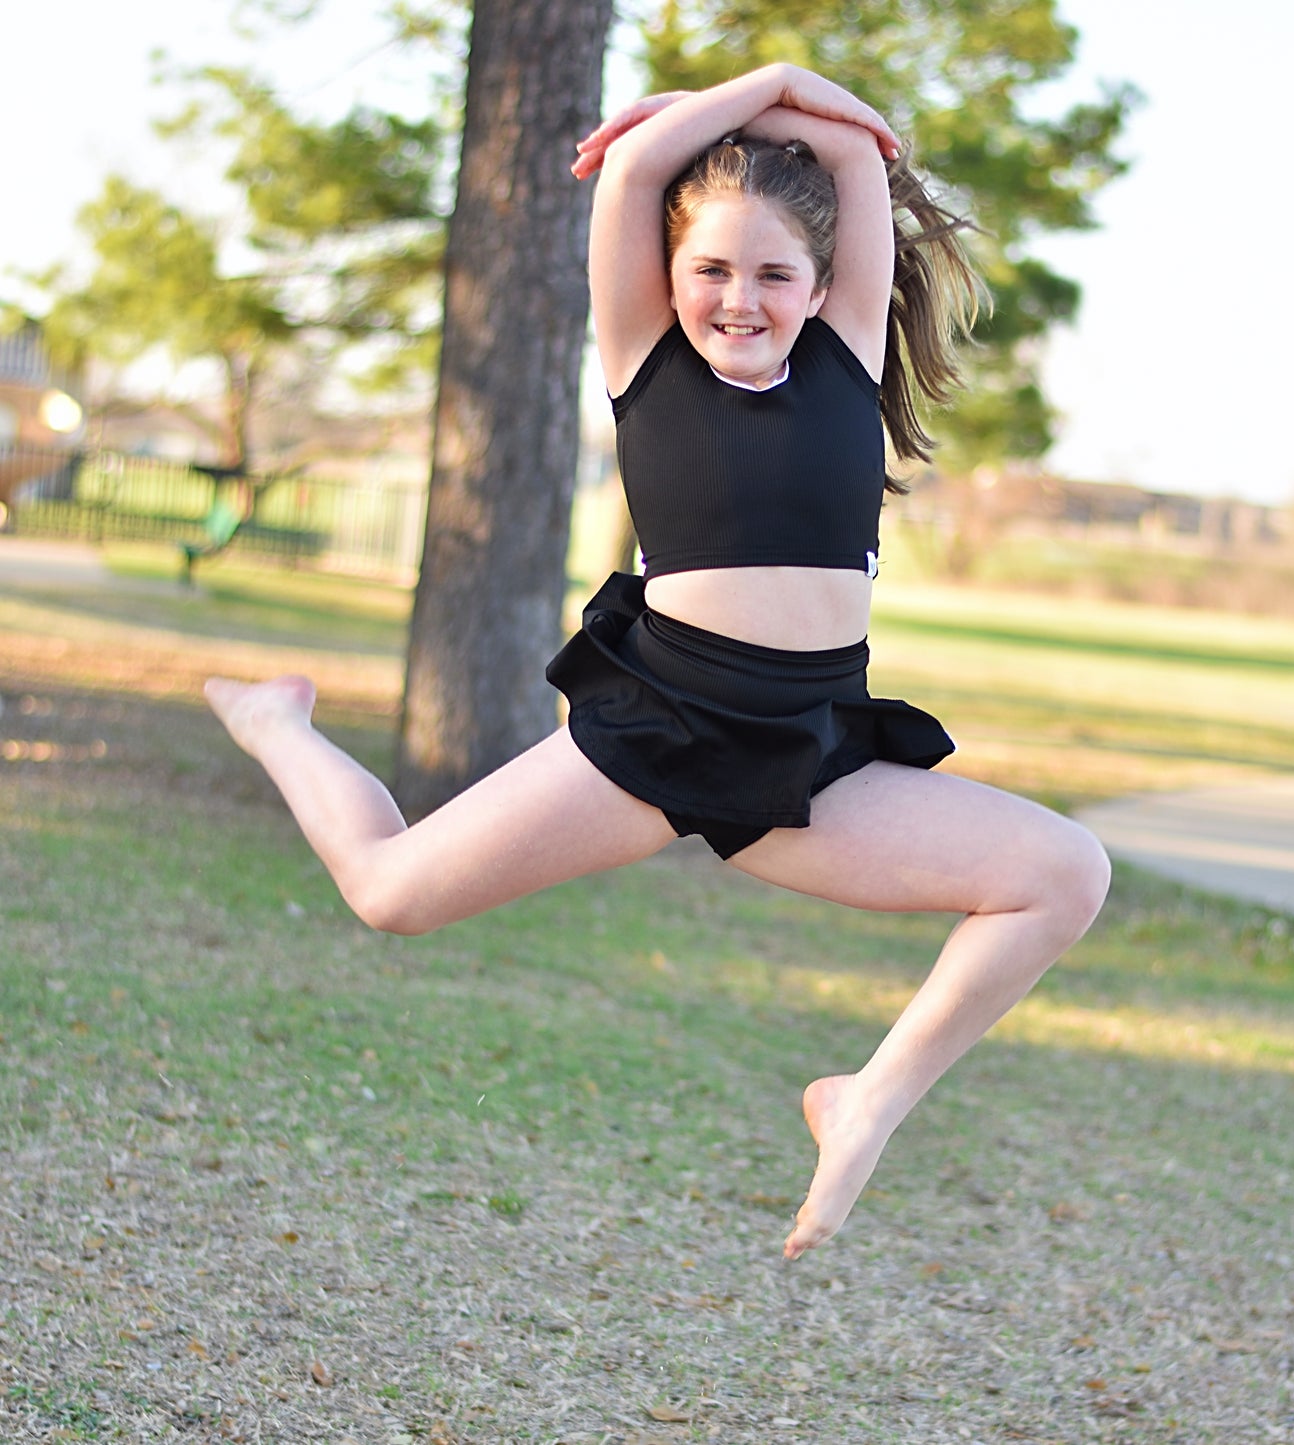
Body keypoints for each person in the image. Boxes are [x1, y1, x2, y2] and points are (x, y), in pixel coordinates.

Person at [205, 64, 1111, 1261]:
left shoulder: (840, 356)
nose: (740, 299)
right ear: (669, 275)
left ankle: (866, 1097)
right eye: (712, 271)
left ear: (824, 284)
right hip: (659, 732)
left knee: (1063, 871)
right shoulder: (647, 362)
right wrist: (766, 88)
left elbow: (859, 156)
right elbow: (631, 171)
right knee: (389, 892)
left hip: (810, 757)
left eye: (773, 274)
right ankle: (278, 725)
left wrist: (771, 104)